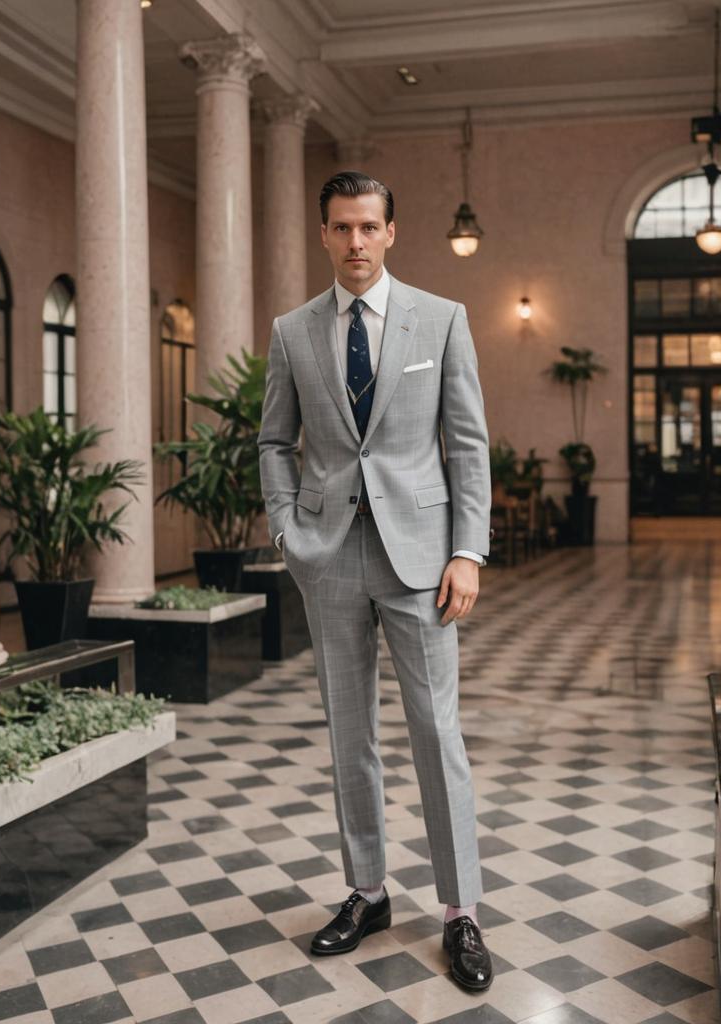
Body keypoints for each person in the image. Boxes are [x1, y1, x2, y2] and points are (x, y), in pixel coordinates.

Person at [257, 170, 493, 992]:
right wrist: (288, 528)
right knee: (347, 734)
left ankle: (461, 912)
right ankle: (367, 891)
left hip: (422, 560)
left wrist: (469, 550)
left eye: (369, 227)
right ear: (323, 234)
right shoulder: (292, 332)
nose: (355, 242)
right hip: (328, 556)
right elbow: (271, 442)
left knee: (436, 733)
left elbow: (467, 445)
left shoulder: (443, 319)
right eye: (341, 228)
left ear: (392, 232)